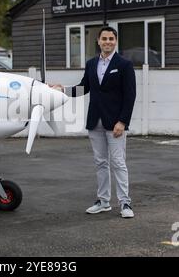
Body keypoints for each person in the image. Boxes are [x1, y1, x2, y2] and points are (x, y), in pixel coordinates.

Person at [51, 26, 136, 218]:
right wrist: (61, 90)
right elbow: (83, 88)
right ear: (98, 41)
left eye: (111, 39)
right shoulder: (91, 64)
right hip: (94, 122)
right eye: (104, 39)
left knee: (118, 163)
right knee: (100, 163)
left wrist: (122, 121)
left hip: (115, 123)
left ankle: (125, 204)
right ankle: (103, 201)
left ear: (115, 41)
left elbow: (130, 96)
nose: (107, 42)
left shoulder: (124, 65)